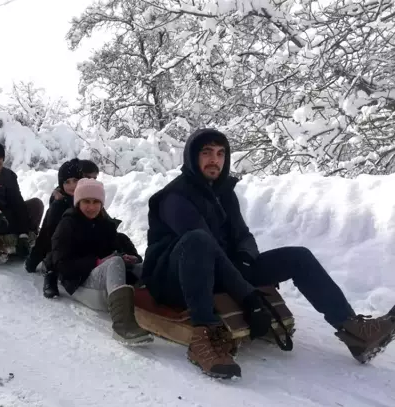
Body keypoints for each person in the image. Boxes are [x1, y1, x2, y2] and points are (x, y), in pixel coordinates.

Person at [142, 128, 395, 379]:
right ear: (192, 157)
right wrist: (249, 298)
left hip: (222, 269)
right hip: (176, 277)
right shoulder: (175, 196)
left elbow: (243, 236)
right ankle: (203, 336)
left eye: (220, 154)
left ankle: (353, 330)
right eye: (206, 152)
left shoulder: (224, 193)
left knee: (299, 257)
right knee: (198, 240)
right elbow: (205, 248)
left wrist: (245, 257)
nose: (214, 160)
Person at [51, 178, 153, 346]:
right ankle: (122, 326)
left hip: (101, 281)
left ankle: (161, 308)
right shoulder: (67, 224)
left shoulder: (106, 225)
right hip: (78, 283)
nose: (91, 207)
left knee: (140, 267)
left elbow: (112, 252)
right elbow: (62, 265)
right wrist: (97, 262)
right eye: (86, 202)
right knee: (114, 263)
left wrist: (125, 257)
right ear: (78, 202)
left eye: (96, 202)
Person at [25, 160, 84, 298]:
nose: (72, 186)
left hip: (86, 244)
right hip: (61, 250)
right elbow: (47, 234)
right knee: (59, 241)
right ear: (61, 184)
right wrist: (33, 260)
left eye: (75, 180)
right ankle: (52, 275)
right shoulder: (58, 205)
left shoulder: (89, 198)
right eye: (67, 182)